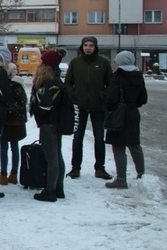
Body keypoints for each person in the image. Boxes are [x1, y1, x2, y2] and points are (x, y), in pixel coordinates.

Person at [65, 36, 113, 179]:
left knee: (99, 138)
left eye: (91, 45)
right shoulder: (75, 63)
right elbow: (68, 82)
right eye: (85, 45)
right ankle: (75, 168)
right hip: (80, 107)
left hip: (98, 107)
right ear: (82, 47)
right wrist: (74, 95)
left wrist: (103, 96)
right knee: (77, 137)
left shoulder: (103, 62)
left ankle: (100, 168)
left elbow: (110, 83)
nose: (88, 48)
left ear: (95, 47)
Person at [104, 51, 148, 189]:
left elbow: (111, 98)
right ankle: (142, 174)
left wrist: (108, 108)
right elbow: (143, 99)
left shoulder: (118, 77)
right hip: (133, 113)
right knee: (135, 144)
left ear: (120, 62)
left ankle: (121, 179)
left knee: (118, 146)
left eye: (116, 61)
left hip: (119, 114)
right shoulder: (138, 75)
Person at [29, 50, 67, 202]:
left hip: (48, 123)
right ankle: (58, 188)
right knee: (57, 155)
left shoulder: (48, 81)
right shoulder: (56, 79)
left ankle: (50, 191)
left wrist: (35, 110)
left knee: (51, 157)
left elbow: (45, 105)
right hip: (56, 122)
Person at [0, 63, 27, 185]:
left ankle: (3, 175)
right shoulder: (19, 85)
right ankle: (14, 174)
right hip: (18, 120)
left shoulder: (4, 85)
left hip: (6, 120)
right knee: (15, 146)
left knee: (3, 146)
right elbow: (24, 101)